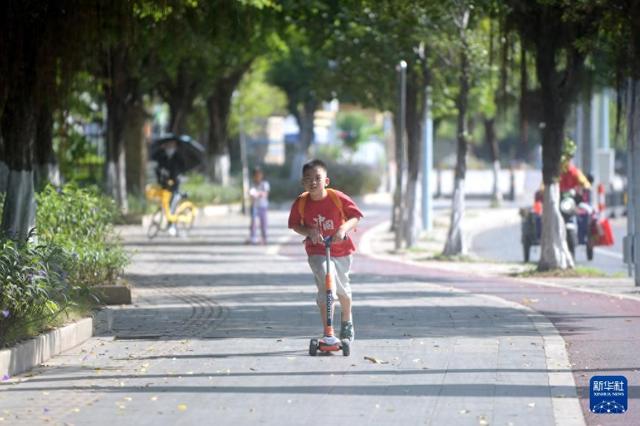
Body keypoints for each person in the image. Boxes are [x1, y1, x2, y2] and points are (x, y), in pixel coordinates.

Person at [287, 159, 363, 342]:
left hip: (341, 250)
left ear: (326, 181)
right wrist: (309, 231)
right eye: (308, 179)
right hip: (317, 250)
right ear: (302, 183)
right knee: (327, 288)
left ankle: (346, 320)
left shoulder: (337, 197)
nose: (313, 182)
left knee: (343, 291)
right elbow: (295, 225)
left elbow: (355, 216)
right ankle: (328, 332)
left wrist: (343, 229)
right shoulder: (301, 202)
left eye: (317, 178)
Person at [155, 140, 185, 235]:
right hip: (165, 186)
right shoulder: (162, 157)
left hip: (175, 186)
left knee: (172, 206)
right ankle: (169, 224)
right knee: (165, 205)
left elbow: (181, 169)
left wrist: (175, 177)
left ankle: (172, 226)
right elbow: (158, 168)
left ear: (175, 147)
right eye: (168, 146)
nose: (169, 148)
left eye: (171, 146)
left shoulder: (178, 157)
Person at [248, 166, 270, 245]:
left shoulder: (265, 184)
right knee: (253, 222)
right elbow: (251, 194)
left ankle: (264, 238)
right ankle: (253, 237)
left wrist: (258, 194)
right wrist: (254, 195)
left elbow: (265, 194)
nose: (257, 176)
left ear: (262, 175)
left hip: (263, 206)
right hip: (254, 206)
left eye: (259, 175)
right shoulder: (252, 184)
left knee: (263, 223)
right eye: (256, 175)